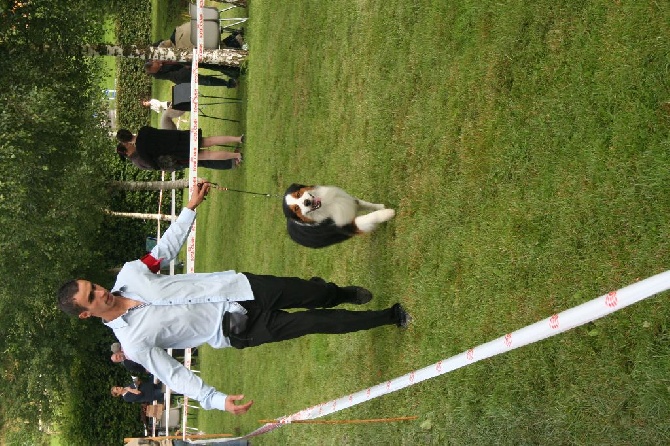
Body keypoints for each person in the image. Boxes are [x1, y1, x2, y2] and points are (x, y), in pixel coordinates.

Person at [57, 182, 411, 415]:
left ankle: (340, 293)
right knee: (314, 322)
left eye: (95, 286)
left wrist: (190, 209)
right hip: (238, 329)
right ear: (86, 314)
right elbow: (174, 375)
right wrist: (214, 399)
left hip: (242, 287)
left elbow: (163, 251)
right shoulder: (133, 345)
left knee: (314, 292)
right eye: (93, 297)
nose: (102, 291)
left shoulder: (130, 274)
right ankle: (388, 317)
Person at [115, 127, 242, 171]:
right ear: (129, 131)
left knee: (208, 155)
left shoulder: (142, 151)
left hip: (178, 152)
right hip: (179, 137)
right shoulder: (144, 129)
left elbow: (155, 166)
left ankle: (236, 156)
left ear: (125, 141)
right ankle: (237, 139)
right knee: (210, 140)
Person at [144, 60, 240, 88]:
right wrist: (187, 68)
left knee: (208, 64)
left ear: (153, 61)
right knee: (206, 81)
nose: (160, 65)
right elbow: (173, 76)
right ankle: (230, 84)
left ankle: (233, 71)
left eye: (159, 64)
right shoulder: (156, 74)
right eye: (158, 68)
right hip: (182, 76)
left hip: (184, 59)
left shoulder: (158, 52)